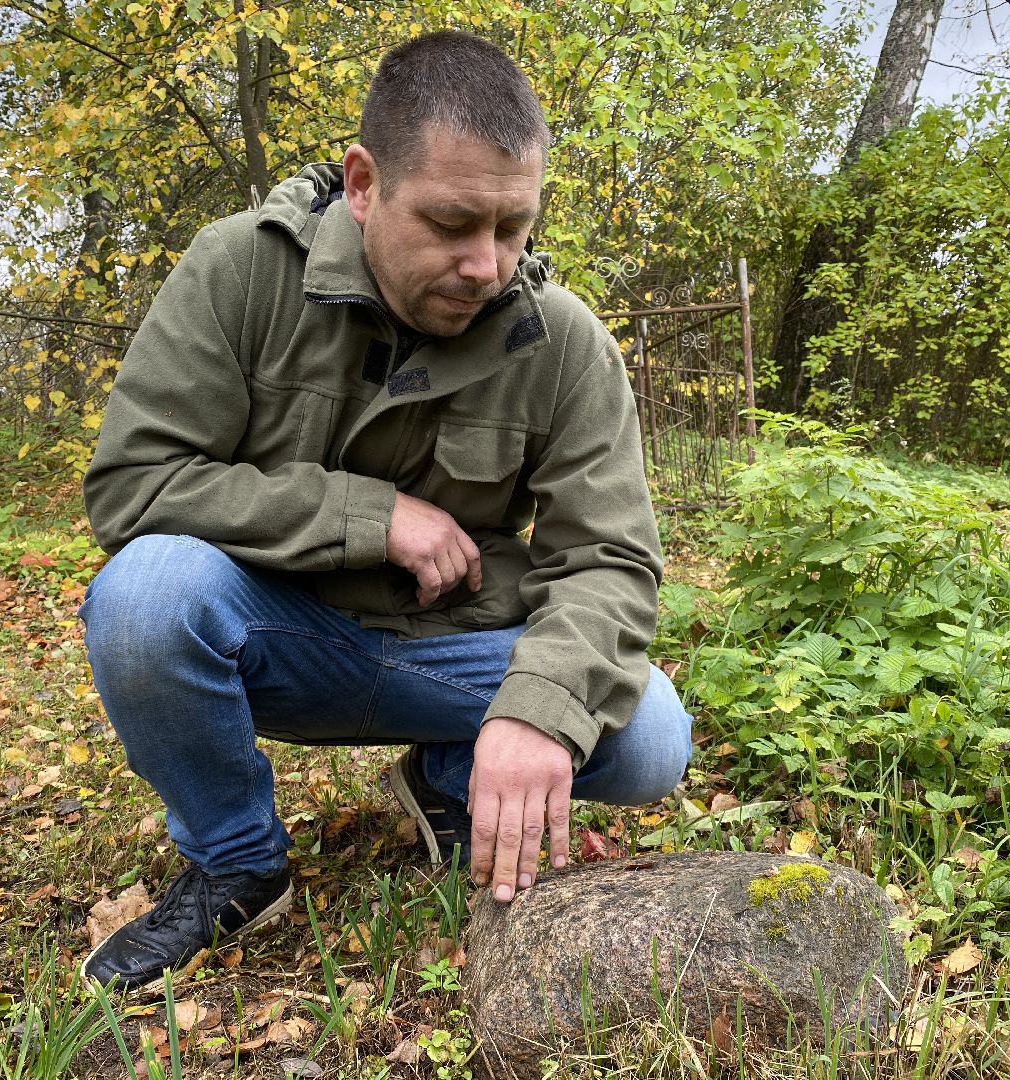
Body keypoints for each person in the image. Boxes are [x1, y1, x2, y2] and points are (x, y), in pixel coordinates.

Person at [77, 29, 692, 995]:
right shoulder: (241, 272)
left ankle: (447, 781)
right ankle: (236, 860)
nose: (486, 263)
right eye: (450, 224)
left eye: (513, 227)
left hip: (454, 648)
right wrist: (371, 516)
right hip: (283, 637)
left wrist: (537, 712)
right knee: (145, 596)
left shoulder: (564, 342)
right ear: (363, 183)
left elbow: (610, 561)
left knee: (650, 732)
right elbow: (134, 485)